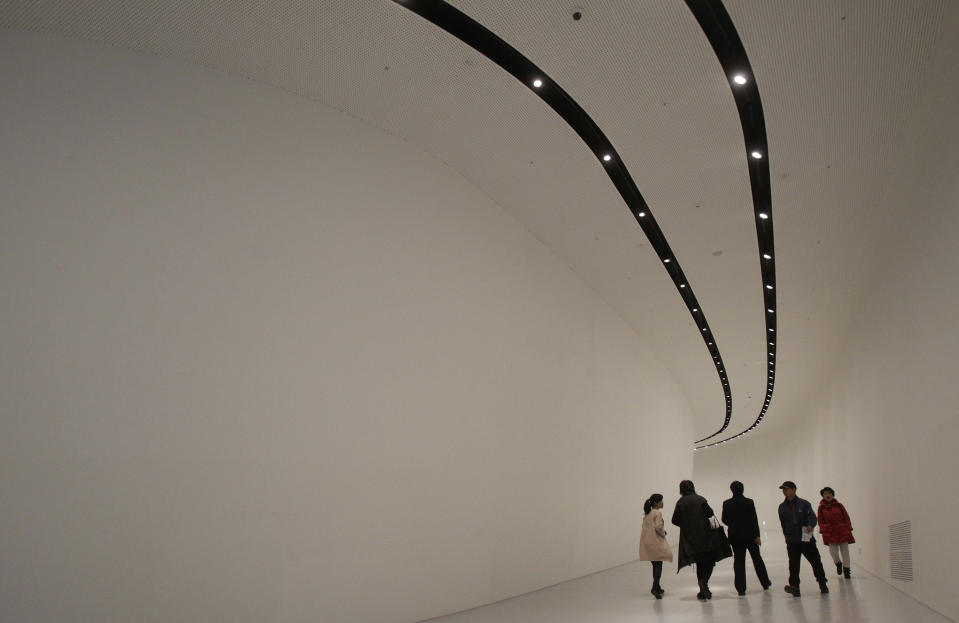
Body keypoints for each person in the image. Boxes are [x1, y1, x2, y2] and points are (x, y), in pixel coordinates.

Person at [778, 480, 829, 596]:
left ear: (794, 490)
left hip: (806, 540)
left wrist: (811, 525)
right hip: (792, 541)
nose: (784, 492)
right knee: (793, 565)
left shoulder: (804, 504)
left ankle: (822, 583)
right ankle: (794, 587)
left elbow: (812, 516)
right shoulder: (782, 507)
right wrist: (787, 536)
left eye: (786, 489)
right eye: (783, 490)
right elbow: (783, 523)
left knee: (816, 562)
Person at [722, 481, 772, 595]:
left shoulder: (727, 503)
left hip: (735, 537)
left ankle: (741, 588)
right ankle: (765, 582)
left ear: (731, 490)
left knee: (739, 561)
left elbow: (724, 519)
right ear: (742, 489)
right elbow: (754, 519)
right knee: (757, 559)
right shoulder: (749, 502)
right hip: (750, 536)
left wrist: (734, 523)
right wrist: (758, 535)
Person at [671, 480, 716, 600]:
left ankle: (702, 589)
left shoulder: (680, 502)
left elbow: (674, 520)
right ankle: (704, 582)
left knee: (699, 562)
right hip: (704, 535)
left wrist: (686, 524)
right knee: (709, 561)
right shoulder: (700, 499)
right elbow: (710, 513)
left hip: (690, 538)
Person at [639, 493, 673, 598]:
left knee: (655, 565)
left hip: (648, 543)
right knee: (658, 565)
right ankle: (654, 587)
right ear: (656, 503)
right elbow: (658, 527)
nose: (663, 503)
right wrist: (664, 533)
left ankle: (657, 586)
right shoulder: (657, 513)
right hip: (656, 542)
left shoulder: (647, 513)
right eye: (661, 501)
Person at [817, 486, 855, 579]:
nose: (827, 495)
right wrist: (824, 531)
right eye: (825, 494)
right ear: (822, 496)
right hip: (830, 533)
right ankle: (838, 563)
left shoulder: (839, 505)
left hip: (842, 531)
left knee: (845, 552)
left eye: (829, 493)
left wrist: (848, 528)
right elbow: (820, 521)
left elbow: (846, 517)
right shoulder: (821, 508)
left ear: (833, 495)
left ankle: (847, 570)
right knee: (833, 552)